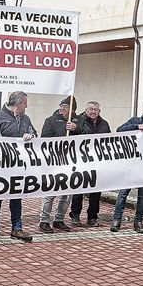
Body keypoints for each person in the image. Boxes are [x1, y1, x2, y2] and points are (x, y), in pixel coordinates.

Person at [0, 91, 36, 245]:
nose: (27, 105)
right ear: (18, 104)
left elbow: (35, 136)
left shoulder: (26, 119)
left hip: (18, 167)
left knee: (16, 198)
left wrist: (30, 136)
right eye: (25, 103)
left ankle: (16, 228)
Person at [113, 101, 143, 232]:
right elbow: (119, 130)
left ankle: (139, 221)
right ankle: (116, 220)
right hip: (130, 165)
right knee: (123, 193)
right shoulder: (134, 121)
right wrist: (137, 127)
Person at [39, 96, 81, 233]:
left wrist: (77, 129)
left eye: (66, 106)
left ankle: (59, 219)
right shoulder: (50, 121)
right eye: (61, 105)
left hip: (72, 162)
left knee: (67, 194)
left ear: (72, 109)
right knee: (50, 192)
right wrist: (64, 129)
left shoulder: (79, 121)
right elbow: (45, 139)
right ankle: (44, 220)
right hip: (54, 162)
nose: (62, 108)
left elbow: (88, 137)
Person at [68, 100, 111, 227]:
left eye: (95, 110)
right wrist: (77, 129)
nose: (93, 112)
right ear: (86, 110)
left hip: (97, 162)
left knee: (96, 191)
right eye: (90, 109)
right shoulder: (77, 121)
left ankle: (92, 216)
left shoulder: (104, 124)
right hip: (81, 161)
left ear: (99, 112)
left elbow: (108, 140)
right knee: (78, 189)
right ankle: (75, 214)